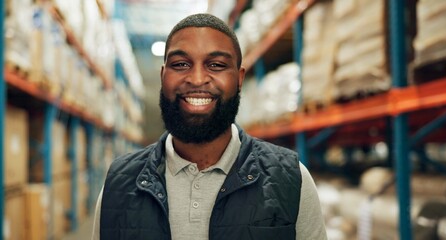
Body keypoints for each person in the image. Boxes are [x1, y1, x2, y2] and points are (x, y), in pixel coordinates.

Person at [92, 13, 327, 240]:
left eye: (215, 65)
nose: (196, 79)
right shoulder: (117, 186)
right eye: (181, 64)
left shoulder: (291, 181)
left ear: (239, 78)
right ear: (163, 76)